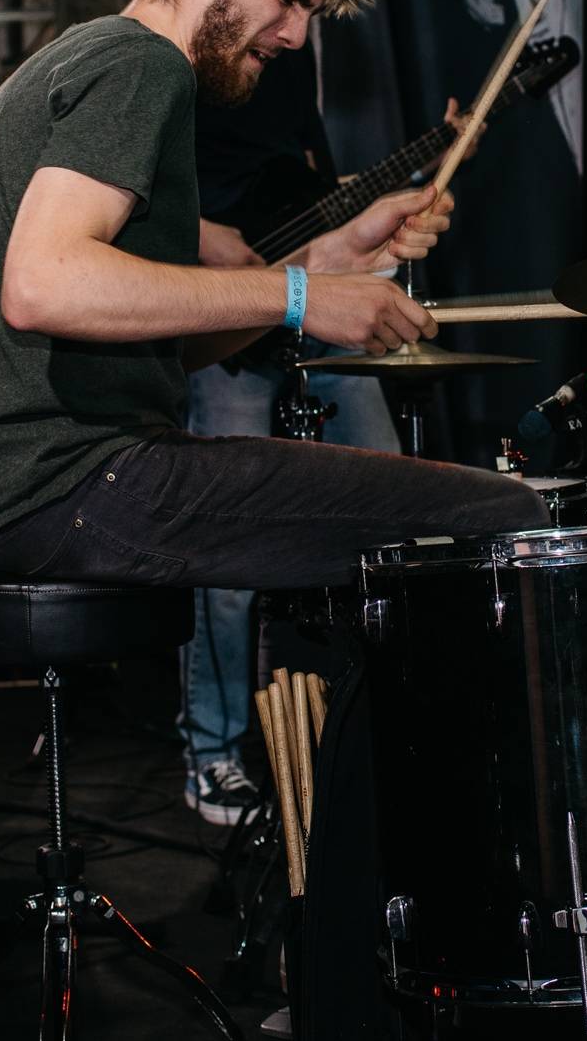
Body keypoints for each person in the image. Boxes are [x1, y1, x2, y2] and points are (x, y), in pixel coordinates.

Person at [0, 0, 537, 604]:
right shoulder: (141, 64)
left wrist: (324, 264)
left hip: (30, 491)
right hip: (69, 482)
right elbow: (42, 285)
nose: (296, 35)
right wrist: (298, 295)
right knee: (501, 510)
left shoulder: (85, 60)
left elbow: (165, 348)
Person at [173, 42, 420, 826]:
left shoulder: (291, 53)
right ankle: (211, 751)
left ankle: (380, 731)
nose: (294, 26)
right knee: (227, 546)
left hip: (317, 285)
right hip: (225, 308)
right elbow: (129, 193)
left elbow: (306, 175)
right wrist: (201, 233)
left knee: (389, 504)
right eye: (287, 1)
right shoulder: (172, 56)